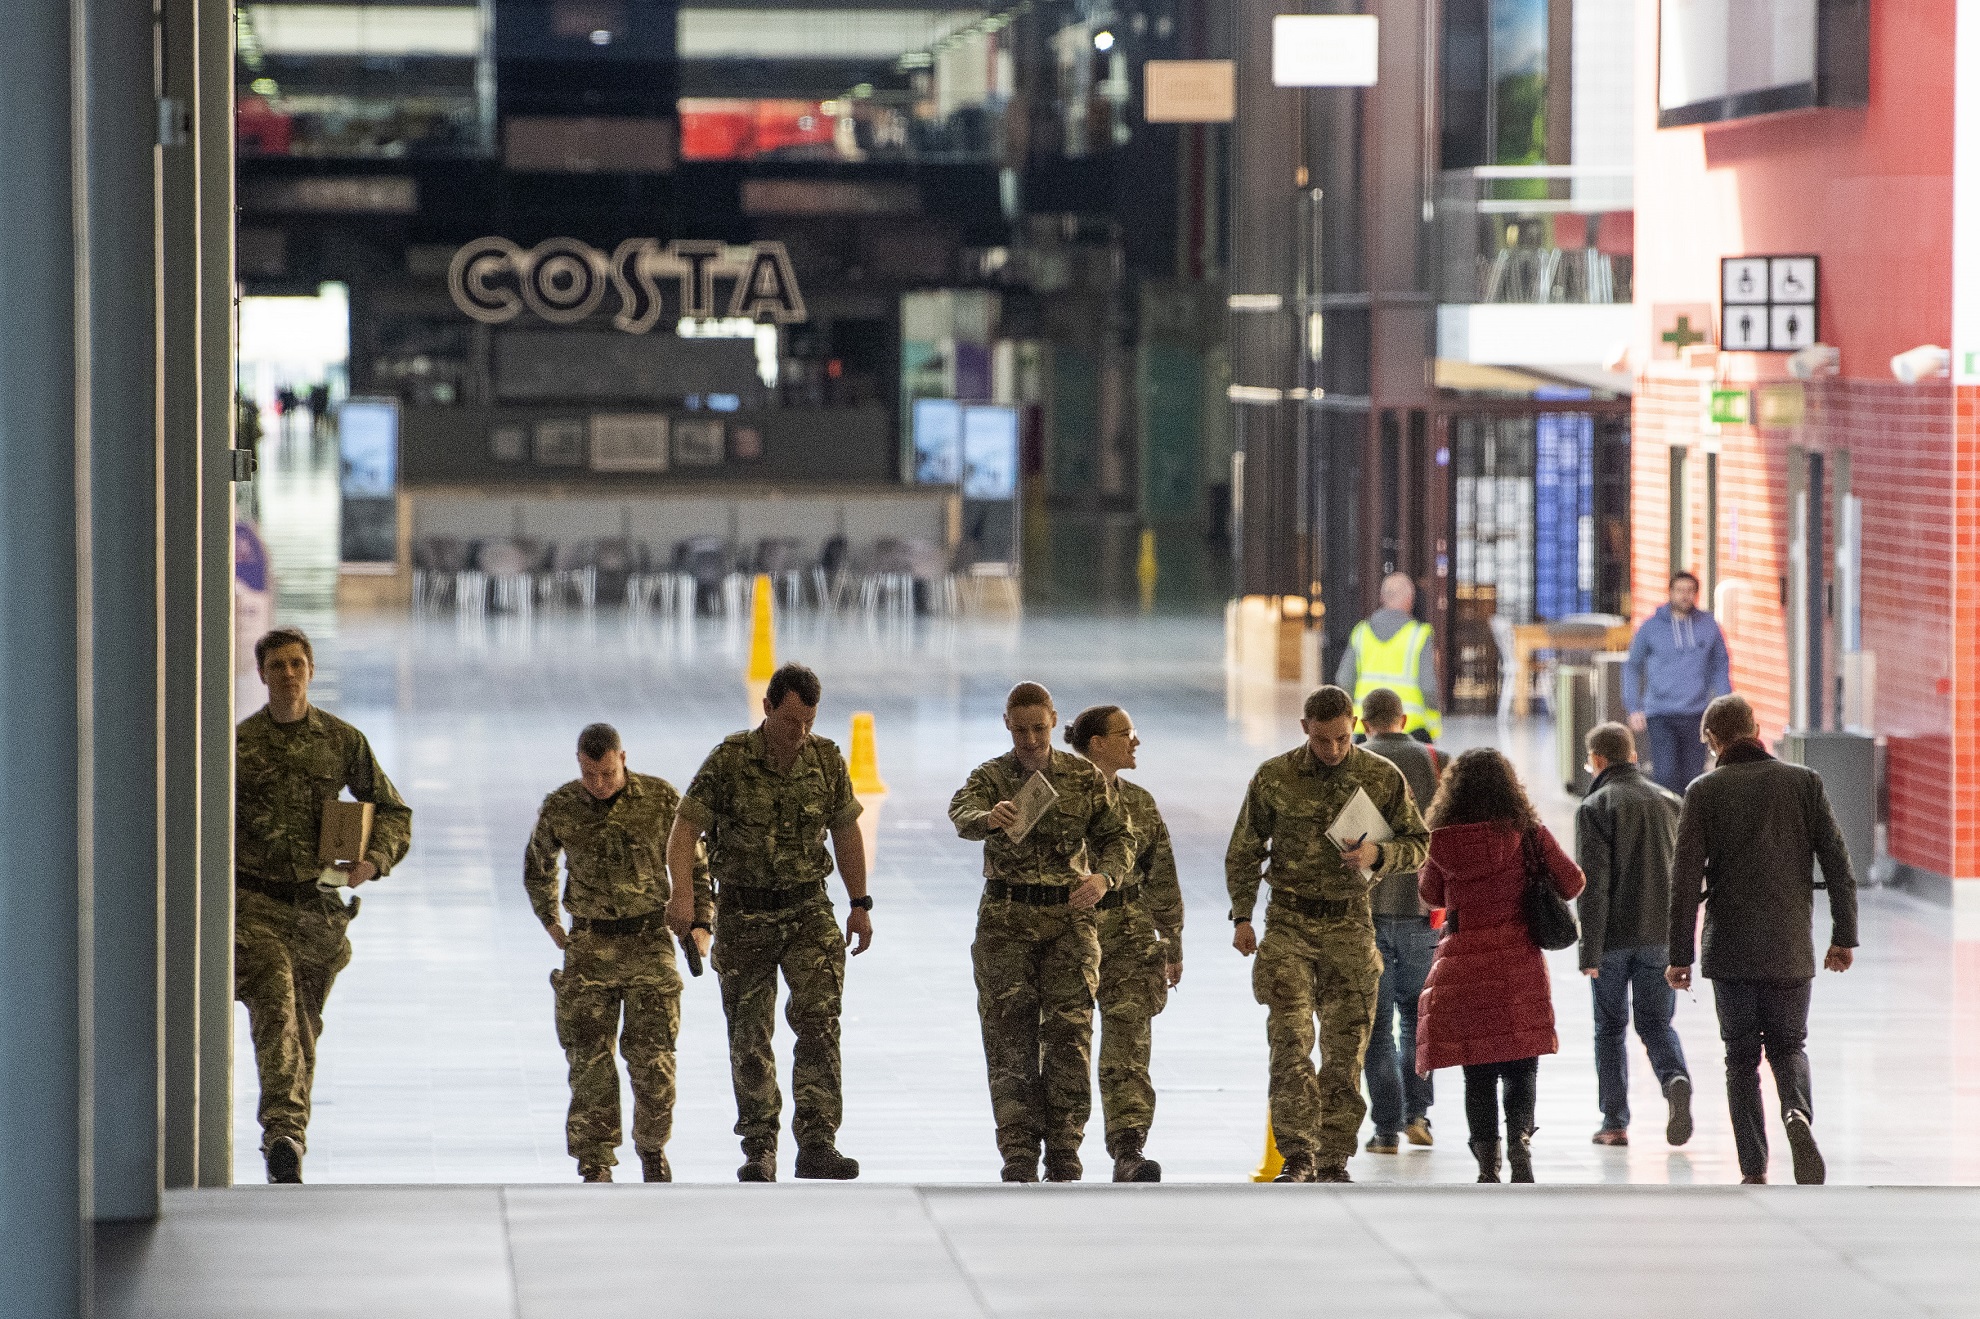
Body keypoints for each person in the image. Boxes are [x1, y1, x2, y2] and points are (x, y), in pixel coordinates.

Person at [665, 662, 872, 1183]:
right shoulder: (729, 760)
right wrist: (684, 894)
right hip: (745, 912)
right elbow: (684, 827)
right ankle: (759, 1146)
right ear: (768, 708)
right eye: (790, 721)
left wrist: (860, 902)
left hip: (808, 911)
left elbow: (845, 832)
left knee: (820, 1025)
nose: (799, 732)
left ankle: (818, 1143)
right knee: (750, 1033)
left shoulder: (825, 759)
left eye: (808, 721)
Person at [1226, 685, 1430, 1184]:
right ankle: (1297, 1154)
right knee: (1290, 1042)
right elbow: (1244, 848)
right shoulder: (1275, 777)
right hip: (1290, 922)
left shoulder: (1381, 776)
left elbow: (1419, 843)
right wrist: (1242, 916)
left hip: (1350, 921)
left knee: (1346, 1047)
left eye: (1341, 738)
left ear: (1355, 724)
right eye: (1322, 741)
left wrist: (1378, 856)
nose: (1333, 750)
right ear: (1304, 730)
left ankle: (1334, 1156)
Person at [235, 627, 413, 1184]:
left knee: (303, 1027)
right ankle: (283, 1132)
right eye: (277, 666)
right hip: (255, 906)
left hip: (318, 911)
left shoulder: (341, 741)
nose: (287, 674)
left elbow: (392, 810)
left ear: (310, 670)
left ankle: (291, 1132)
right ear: (261, 674)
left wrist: (373, 860)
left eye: (296, 664)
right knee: (276, 1012)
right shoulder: (237, 746)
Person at [1666, 694, 1857, 1185]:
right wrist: (1843, 937)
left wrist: (1679, 956)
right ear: (1755, 727)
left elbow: (1684, 879)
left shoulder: (1703, 792)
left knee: (1740, 1058)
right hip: (1790, 945)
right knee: (1790, 1046)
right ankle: (1796, 1114)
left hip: (1729, 950)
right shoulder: (1804, 783)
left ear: (1713, 741)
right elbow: (1837, 863)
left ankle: (1753, 1166)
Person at [950, 682, 1134, 1183]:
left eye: (1040, 728)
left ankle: (1064, 1146)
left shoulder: (1084, 777)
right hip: (1006, 921)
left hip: (1068, 924)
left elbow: (1119, 836)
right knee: (1008, 1039)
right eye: (1021, 728)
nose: (1030, 739)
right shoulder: (991, 777)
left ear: (1054, 721)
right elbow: (960, 813)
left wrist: (1103, 878)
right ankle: (1017, 1151)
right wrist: (988, 818)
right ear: (1006, 724)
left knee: (1069, 1036)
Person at [526, 723, 713, 1183]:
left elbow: (697, 862)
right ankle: (595, 1161)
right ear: (579, 763)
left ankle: (652, 1148)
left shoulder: (661, 800)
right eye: (591, 774)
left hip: (649, 941)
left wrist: (702, 922)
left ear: (623, 758)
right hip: (589, 945)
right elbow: (537, 863)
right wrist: (550, 919)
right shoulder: (562, 806)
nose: (599, 784)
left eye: (608, 773)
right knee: (589, 1062)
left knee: (654, 1060)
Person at [1416, 749, 1585, 1183]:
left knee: (1478, 1069)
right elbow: (1573, 882)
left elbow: (1432, 894)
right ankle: (1521, 1145)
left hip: (1464, 964)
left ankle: (1488, 1164)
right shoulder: (1528, 833)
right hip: (1517, 961)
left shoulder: (1441, 839)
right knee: (1521, 1062)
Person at [1064, 705, 1185, 1183]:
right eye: (1126, 733)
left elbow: (1162, 874)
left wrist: (1172, 940)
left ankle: (1129, 1148)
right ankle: (1061, 1145)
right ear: (1096, 743)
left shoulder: (1139, 802)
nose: (1135, 742)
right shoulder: (1056, 793)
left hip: (1131, 936)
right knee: (1064, 1043)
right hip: (1071, 932)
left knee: (1130, 1047)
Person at [1575, 721, 1692, 1148]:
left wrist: (1589, 948)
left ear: (1599, 761)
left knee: (1609, 1030)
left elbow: (1594, 884)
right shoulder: (1671, 802)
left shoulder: (1596, 805)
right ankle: (1675, 1078)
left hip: (1613, 940)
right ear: (1633, 756)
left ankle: (1614, 1122)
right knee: (1657, 1024)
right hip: (1661, 936)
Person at [1354, 688, 1442, 1155]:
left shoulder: (1351, 762)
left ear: (1363, 722)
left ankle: (1385, 1128)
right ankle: (1418, 1114)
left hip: (1365, 915)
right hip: (1425, 913)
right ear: (1403, 718)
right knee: (1416, 1019)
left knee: (1375, 1024)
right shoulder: (1436, 760)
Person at [1624, 571, 1732, 794]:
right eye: (1680, 591)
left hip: (1697, 714)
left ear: (1696, 594)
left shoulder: (1709, 625)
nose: (1685, 596)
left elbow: (1720, 666)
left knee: (1694, 778)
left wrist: (1725, 706)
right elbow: (1633, 666)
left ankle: (1688, 826)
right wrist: (1633, 706)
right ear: (1670, 593)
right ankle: (1668, 825)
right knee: (1665, 775)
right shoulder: (1651, 627)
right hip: (1660, 714)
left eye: (1690, 591)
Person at [1335, 572, 1442, 741]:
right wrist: (1434, 721)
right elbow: (1428, 686)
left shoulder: (1361, 632)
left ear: (1382, 598)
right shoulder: (1419, 635)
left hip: (1366, 728)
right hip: (1410, 728)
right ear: (1409, 600)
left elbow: (1344, 679)